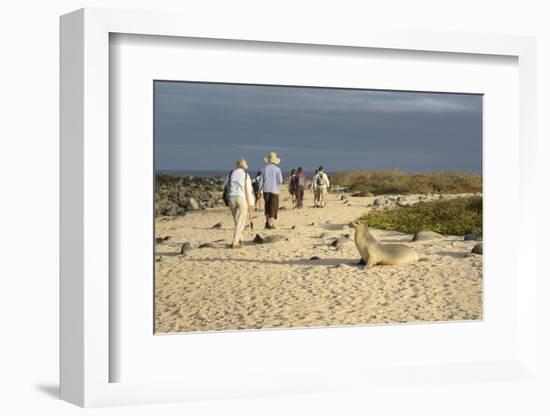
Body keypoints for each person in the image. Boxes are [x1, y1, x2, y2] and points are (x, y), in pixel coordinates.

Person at [223, 159, 255, 248]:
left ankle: (240, 239)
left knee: (237, 221)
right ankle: (235, 243)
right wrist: (251, 203)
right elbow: (248, 190)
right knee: (240, 221)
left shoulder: (231, 173)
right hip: (241, 198)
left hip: (231, 198)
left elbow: (224, 185)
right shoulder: (245, 175)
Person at [259, 152, 283, 229]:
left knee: (267, 206)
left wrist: (260, 190)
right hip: (274, 190)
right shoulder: (277, 169)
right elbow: (280, 181)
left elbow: (261, 181)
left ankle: (267, 222)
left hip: (266, 190)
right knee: (273, 207)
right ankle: (271, 224)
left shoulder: (264, 169)